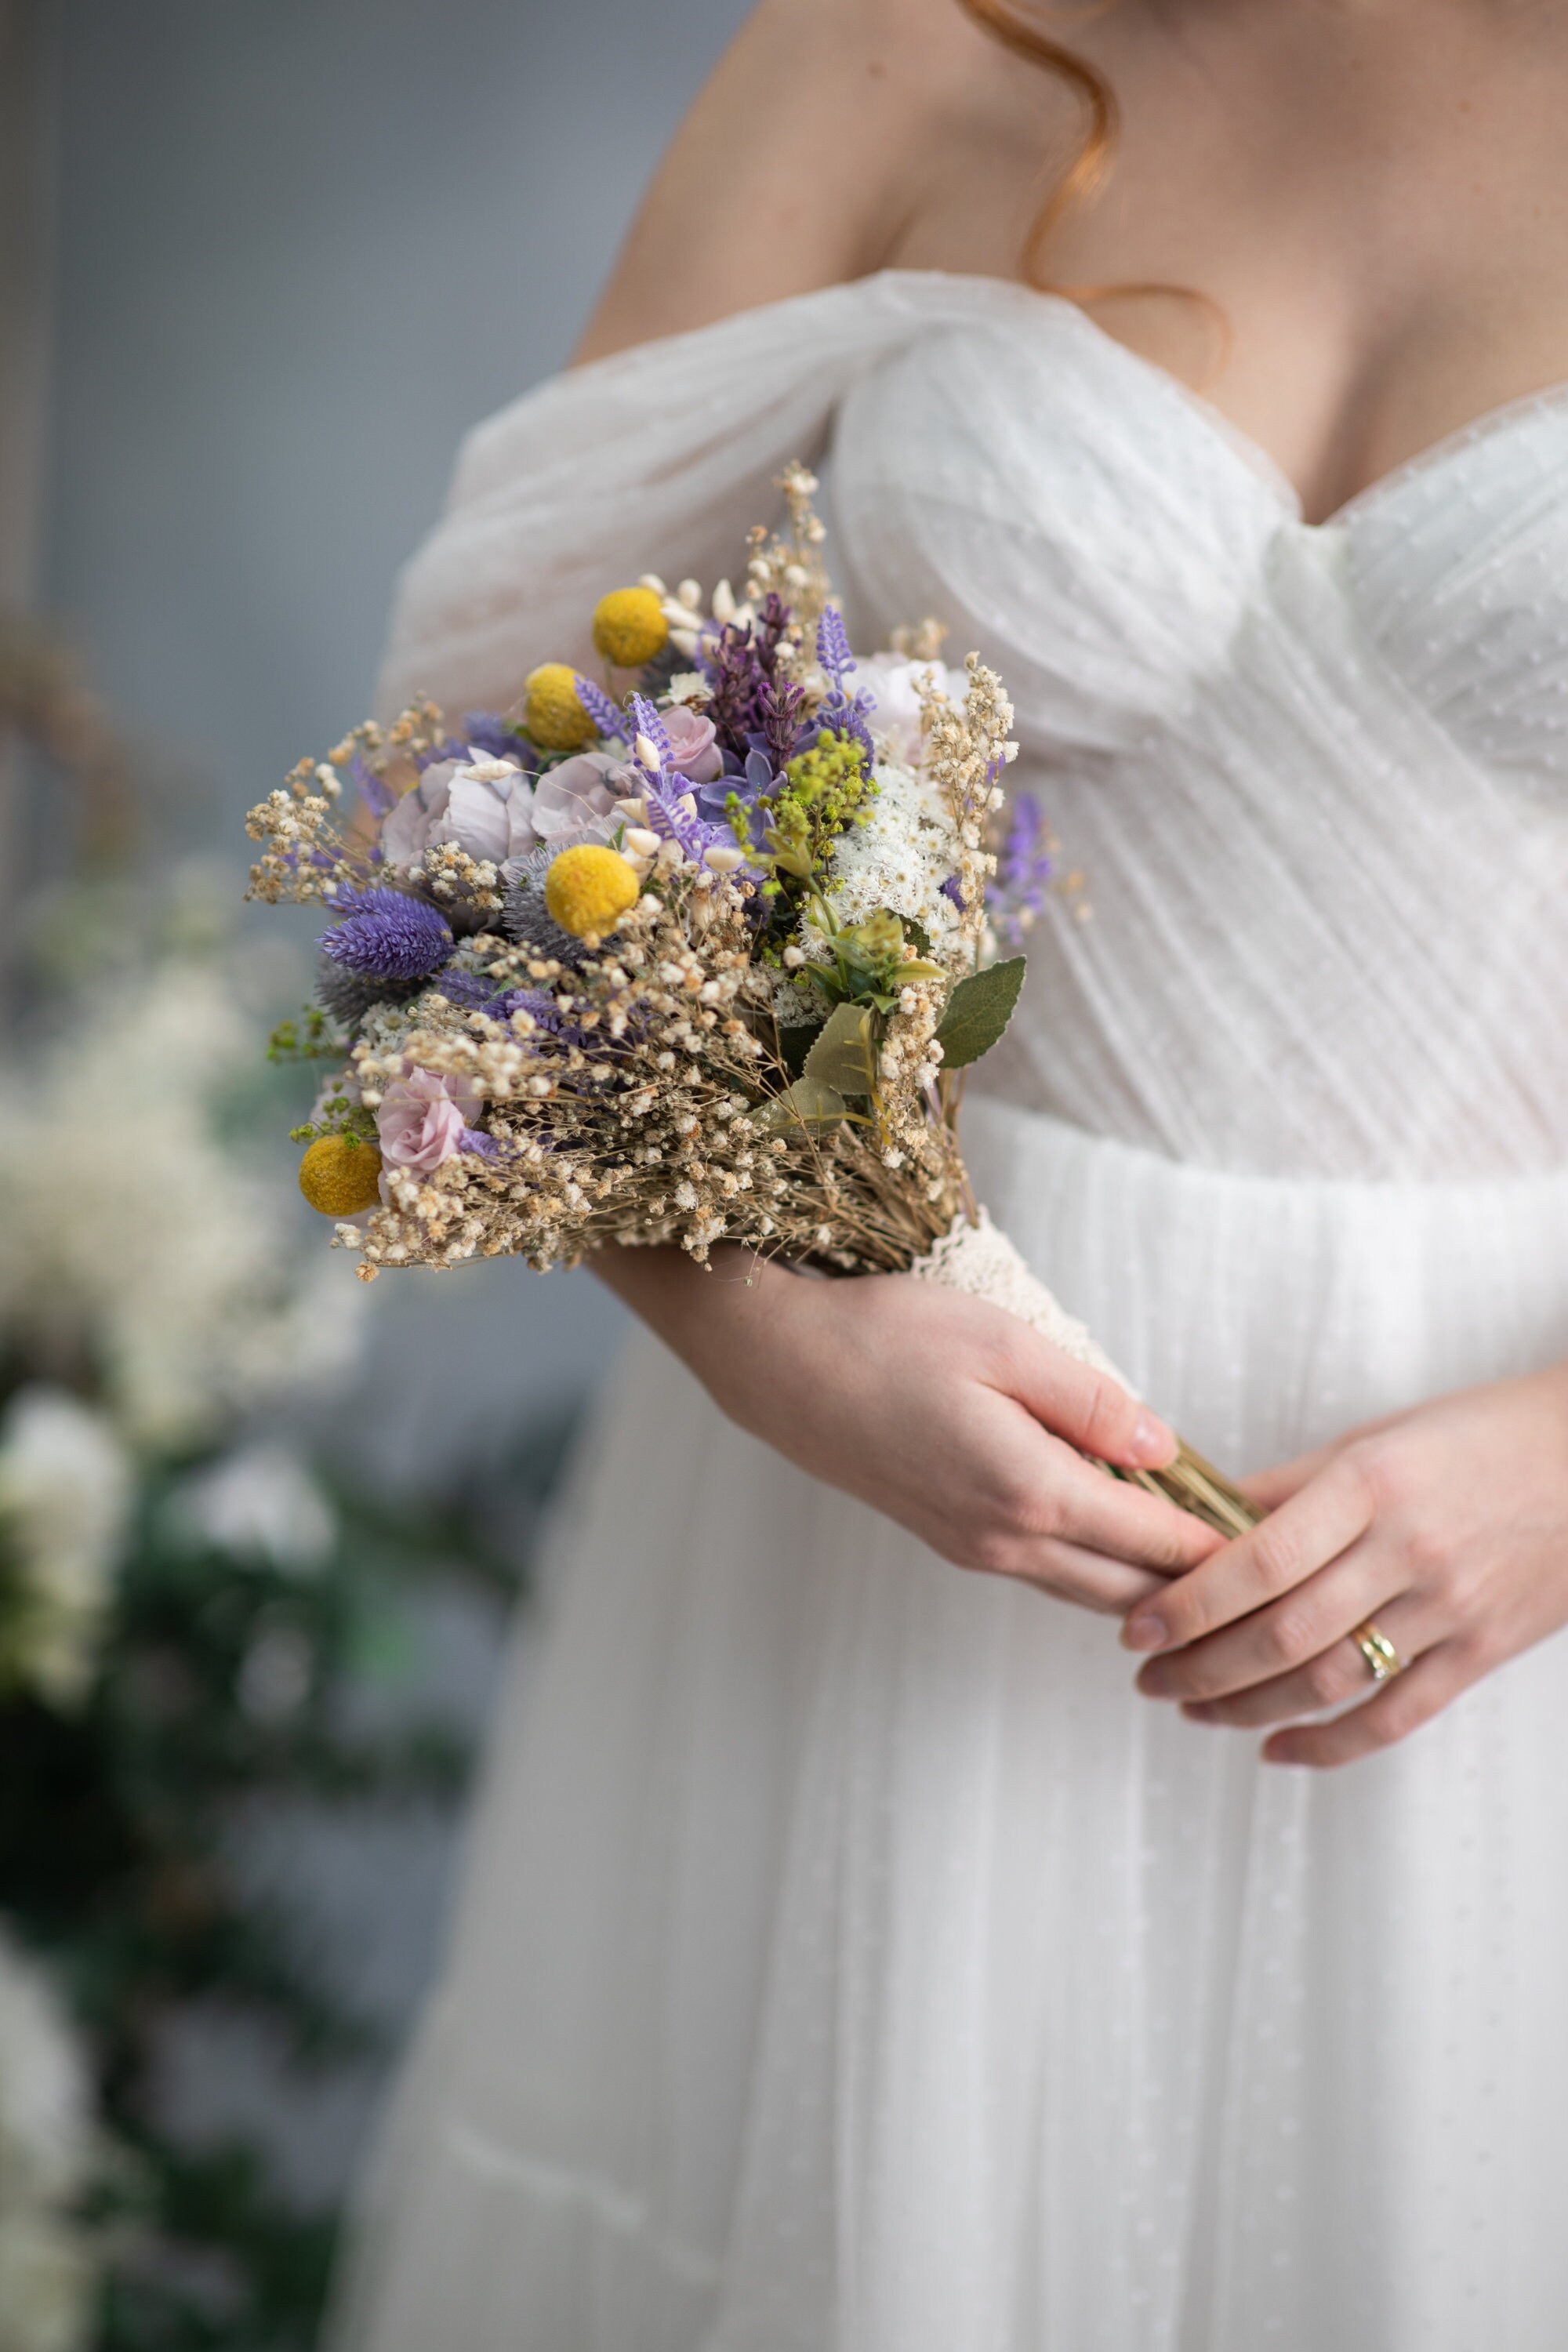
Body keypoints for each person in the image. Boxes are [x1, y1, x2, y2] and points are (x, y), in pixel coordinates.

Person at [329, 3, 1568, 2343]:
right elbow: (447, 822)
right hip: (878, 1520)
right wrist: (775, 1331)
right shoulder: (916, 37)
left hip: (1507, 1580)